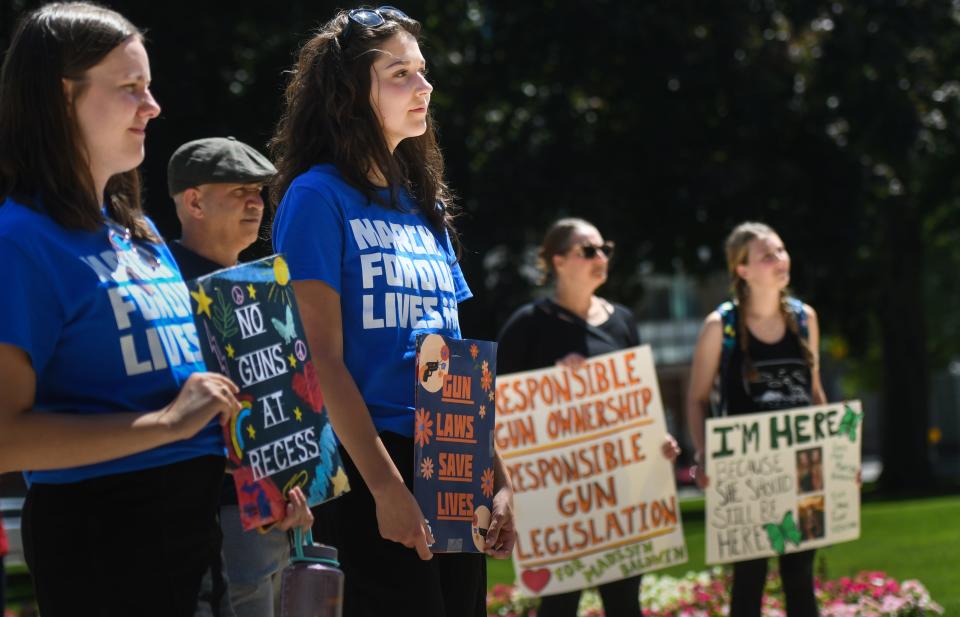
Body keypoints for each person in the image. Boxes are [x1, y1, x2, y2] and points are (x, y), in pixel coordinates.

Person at [268, 7, 516, 617]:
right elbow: (319, 357)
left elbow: (452, 352)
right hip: (367, 466)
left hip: (453, 456)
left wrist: (498, 477)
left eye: (422, 70)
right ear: (350, 95)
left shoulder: (423, 205)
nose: (424, 85)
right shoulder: (315, 198)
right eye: (400, 73)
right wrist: (385, 487)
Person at [0, 4, 242, 616]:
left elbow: (182, 396)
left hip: (196, 538)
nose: (152, 106)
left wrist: (261, 478)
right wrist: (167, 425)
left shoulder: (142, 233)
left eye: (150, 86)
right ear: (61, 99)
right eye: (131, 88)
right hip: (104, 543)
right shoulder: (18, 240)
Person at [496, 217, 681, 617]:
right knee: (559, 604)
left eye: (605, 249)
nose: (601, 257)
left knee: (625, 603)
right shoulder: (528, 326)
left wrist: (658, 441)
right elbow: (500, 408)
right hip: (559, 498)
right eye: (588, 250)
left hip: (618, 496)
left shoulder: (623, 321)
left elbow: (638, 403)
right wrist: (556, 385)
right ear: (558, 261)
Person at [166, 136, 315, 617]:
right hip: (211, 515)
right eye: (238, 191)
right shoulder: (161, 288)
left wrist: (297, 488)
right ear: (193, 201)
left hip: (274, 516)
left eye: (259, 191)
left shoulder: (262, 286)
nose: (256, 202)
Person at [686, 221, 827, 617]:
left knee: (801, 578)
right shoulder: (721, 326)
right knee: (749, 582)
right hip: (745, 474)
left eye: (781, 251)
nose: (780, 260)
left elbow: (814, 392)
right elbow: (696, 398)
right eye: (767, 255)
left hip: (803, 469)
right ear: (742, 269)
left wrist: (836, 455)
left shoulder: (804, 318)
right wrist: (703, 455)